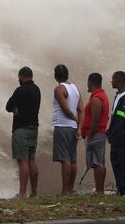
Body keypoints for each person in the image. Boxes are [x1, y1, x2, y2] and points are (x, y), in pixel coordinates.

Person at [6, 66, 41, 199]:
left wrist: (15, 107)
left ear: (22, 76)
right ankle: (34, 192)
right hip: (34, 128)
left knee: (23, 161)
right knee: (32, 159)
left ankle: (22, 193)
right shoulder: (37, 90)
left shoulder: (20, 90)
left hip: (21, 129)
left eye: (19, 77)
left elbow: (8, 106)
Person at [52, 64, 84, 195]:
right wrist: (79, 128)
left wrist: (75, 120)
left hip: (63, 126)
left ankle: (65, 190)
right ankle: (70, 189)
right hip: (72, 128)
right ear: (67, 74)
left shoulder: (59, 89)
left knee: (65, 159)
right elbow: (81, 110)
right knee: (72, 159)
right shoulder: (75, 88)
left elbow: (66, 109)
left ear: (55, 75)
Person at [81, 73, 110, 195]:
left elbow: (96, 118)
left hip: (96, 134)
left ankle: (99, 190)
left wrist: (91, 133)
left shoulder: (97, 98)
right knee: (99, 162)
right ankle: (100, 189)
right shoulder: (101, 96)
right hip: (99, 133)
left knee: (97, 163)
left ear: (90, 82)